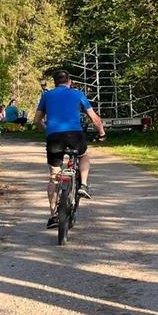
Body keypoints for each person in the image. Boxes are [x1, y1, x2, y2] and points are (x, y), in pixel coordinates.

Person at [32, 70, 106, 229]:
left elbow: (37, 120)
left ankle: (53, 216)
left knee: (53, 177)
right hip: (75, 135)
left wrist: (48, 130)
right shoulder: (77, 94)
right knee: (84, 155)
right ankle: (84, 185)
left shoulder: (47, 95)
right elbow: (94, 118)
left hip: (54, 137)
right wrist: (102, 134)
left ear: (55, 82)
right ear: (69, 82)